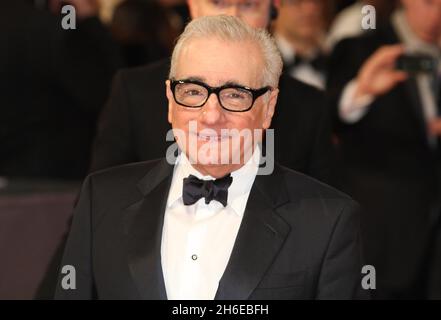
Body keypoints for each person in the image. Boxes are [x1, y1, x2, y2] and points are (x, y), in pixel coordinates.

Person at [55, 15, 366, 300]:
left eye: (234, 95)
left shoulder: (328, 222)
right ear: (170, 100)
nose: (211, 115)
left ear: (269, 106)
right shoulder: (102, 200)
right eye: (193, 91)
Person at [90, 0, 334, 185]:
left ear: (273, 7)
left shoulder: (308, 107)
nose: (232, 16)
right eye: (218, 2)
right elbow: (99, 207)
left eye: (249, 5)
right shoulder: (134, 91)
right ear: (192, 4)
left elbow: (327, 217)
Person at [327, 0, 441, 299]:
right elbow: (325, 117)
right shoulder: (360, 49)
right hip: (381, 239)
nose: (437, 13)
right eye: (429, 2)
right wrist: (360, 92)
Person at [272, 0, 330, 89]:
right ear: (274, 8)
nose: (310, 9)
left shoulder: (339, 58)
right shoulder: (264, 63)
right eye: (296, 2)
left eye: (315, 1)